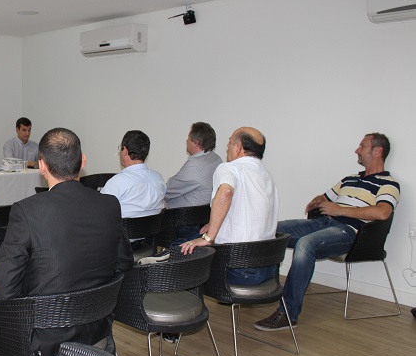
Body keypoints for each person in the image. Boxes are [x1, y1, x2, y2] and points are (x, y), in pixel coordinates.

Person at [0, 127, 133, 356]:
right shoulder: (110, 205)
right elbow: (124, 263)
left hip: (46, 338)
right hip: (98, 329)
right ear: (83, 160)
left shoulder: (27, 211)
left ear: (42, 166)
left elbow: (5, 291)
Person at [254, 133, 400, 331]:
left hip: (349, 232)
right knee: (272, 230)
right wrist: (317, 200)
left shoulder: (388, 184)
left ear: (377, 151)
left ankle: (287, 314)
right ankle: (261, 285)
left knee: (306, 245)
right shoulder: (350, 179)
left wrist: (340, 210)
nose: (357, 150)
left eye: (362, 146)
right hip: (323, 222)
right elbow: (325, 197)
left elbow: (383, 212)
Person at [181, 127, 279, 286]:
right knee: (188, 241)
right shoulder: (266, 176)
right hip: (268, 269)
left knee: (178, 251)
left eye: (230, 142)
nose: (227, 146)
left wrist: (209, 237)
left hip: (238, 269)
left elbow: (226, 192)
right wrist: (214, 224)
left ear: (238, 148)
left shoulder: (230, 168)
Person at [165, 122, 223, 242]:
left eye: (189, 138)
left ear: (196, 143)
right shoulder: (216, 159)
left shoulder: (194, 166)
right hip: (204, 220)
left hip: (183, 224)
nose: (186, 140)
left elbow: (167, 190)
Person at [101, 130, 166, 218]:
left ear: (125, 151)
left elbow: (99, 213)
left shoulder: (117, 182)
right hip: (153, 227)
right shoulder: (159, 179)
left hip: (121, 227)